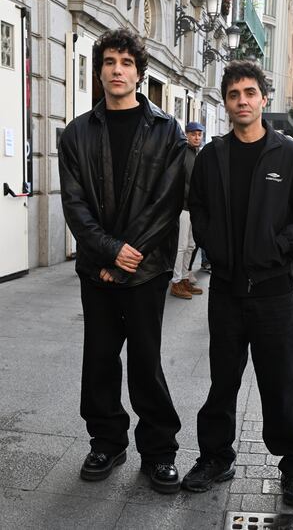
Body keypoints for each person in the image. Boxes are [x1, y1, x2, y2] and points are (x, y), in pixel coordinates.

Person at [183, 60, 293, 506]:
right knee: (221, 381)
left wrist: (281, 247)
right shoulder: (212, 155)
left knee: (281, 383)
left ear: (263, 99)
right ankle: (215, 457)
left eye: (249, 92)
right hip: (226, 291)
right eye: (234, 94)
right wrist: (215, 246)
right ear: (226, 103)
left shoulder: (288, 155)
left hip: (273, 294)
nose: (242, 101)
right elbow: (198, 208)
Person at [58, 28, 187, 493]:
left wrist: (127, 256)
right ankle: (106, 442)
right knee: (98, 360)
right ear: (99, 71)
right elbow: (75, 206)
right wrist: (109, 253)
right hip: (97, 269)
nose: (117, 70)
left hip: (147, 269)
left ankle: (159, 452)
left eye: (126, 62)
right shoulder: (75, 133)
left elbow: (168, 201)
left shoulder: (167, 129)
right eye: (109, 61)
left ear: (138, 71)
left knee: (145, 362)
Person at [170, 122, 205, 299]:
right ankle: (176, 282)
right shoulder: (182, 152)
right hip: (182, 207)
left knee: (191, 246)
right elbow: (177, 180)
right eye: (193, 134)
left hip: (193, 208)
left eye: (199, 134)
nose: (197, 137)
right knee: (181, 247)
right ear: (187, 134)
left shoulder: (197, 153)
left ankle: (184, 278)